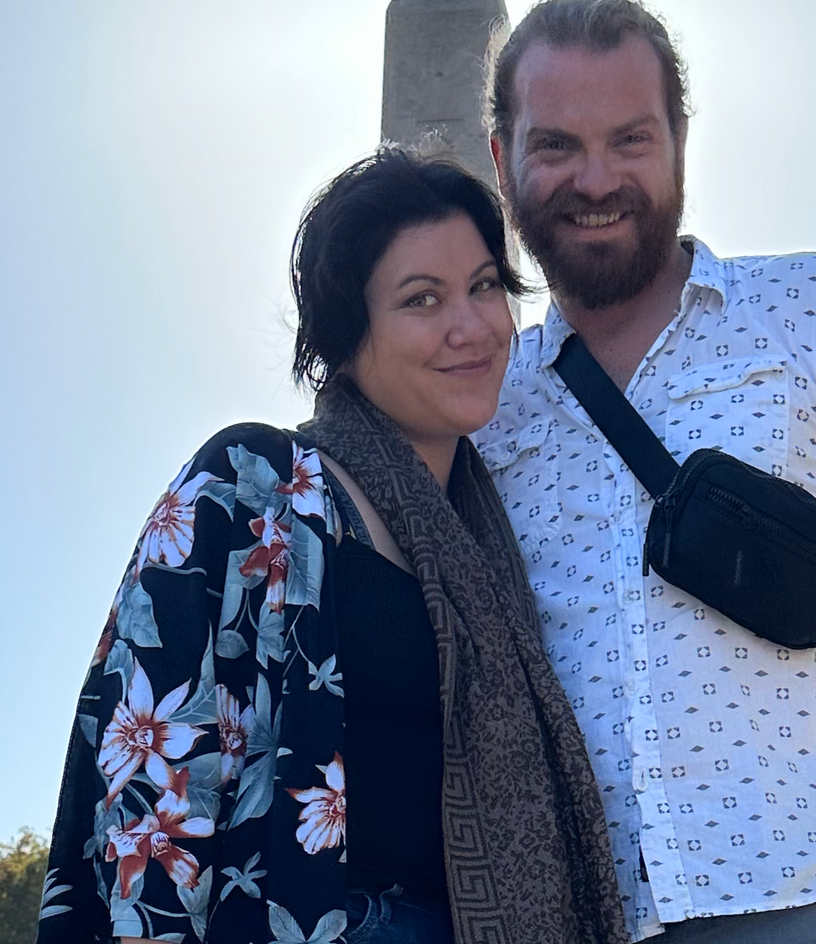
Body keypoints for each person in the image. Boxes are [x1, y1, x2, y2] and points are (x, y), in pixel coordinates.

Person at [475, 0, 816, 944]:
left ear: (680, 141)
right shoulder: (483, 398)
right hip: (572, 917)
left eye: (631, 140)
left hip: (805, 902)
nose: (596, 178)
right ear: (502, 162)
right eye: (556, 145)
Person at [36, 148, 629, 944]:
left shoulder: (491, 537)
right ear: (347, 338)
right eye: (422, 299)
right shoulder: (252, 484)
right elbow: (142, 778)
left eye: (485, 286)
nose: (472, 327)